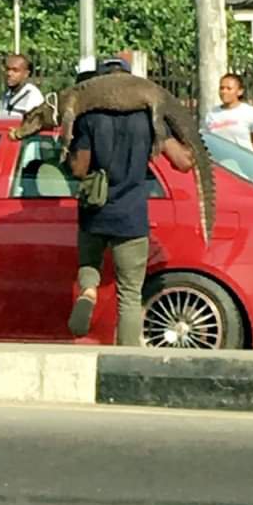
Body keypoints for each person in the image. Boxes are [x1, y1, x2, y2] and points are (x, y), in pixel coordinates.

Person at [67, 97, 195, 345]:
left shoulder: (89, 116)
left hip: (95, 211)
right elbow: (182, 162)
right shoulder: (148, 119)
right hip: (132, 216)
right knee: (129, 295)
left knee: (89, 263)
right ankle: (128, 356)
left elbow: (80, 169)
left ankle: (89, 292)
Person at [203, 73, 253, 152]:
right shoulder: (212, 114)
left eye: (229, 88)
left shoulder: (250, 112)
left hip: (244, 160)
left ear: (240, 91)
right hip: (220, 161)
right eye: (222, 88)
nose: (224, 91)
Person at [0, 54, 44, 120]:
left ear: (26, 74)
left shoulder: (32, 96)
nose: (9, 74)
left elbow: (34, 124)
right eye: (7, 69)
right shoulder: (6, 95)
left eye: (15, 70)